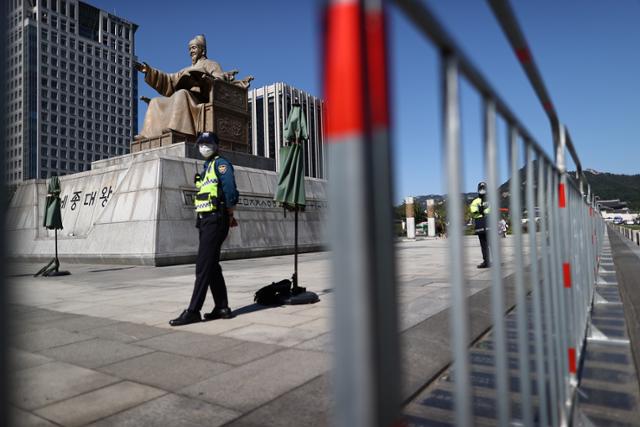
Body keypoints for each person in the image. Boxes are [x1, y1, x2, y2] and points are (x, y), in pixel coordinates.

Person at [170, 132, 239, 326]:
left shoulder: (221, 164)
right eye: (201, 143)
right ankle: (222, 307)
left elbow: (230, 190)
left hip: (216, 218)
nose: (204, 147)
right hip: (206, 219)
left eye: (208, 143)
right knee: (212, 265)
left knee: (203, 266)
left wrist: (230, 214)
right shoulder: (206, 167)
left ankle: (193, 311)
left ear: (217, 145)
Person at [134, 35, 252, 139]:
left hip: (200, 98)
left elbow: (219, 79)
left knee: (182, 94)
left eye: (194, 48)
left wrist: (206, 79)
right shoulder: (186, 69)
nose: (191, 51)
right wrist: (148, 71)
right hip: (184, 98)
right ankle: (147, 134)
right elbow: (169, 80)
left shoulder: (212, 64)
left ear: (203, 50)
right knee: (155, 101)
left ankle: (178, 130)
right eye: (190, 49)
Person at [470, 181, 491, 268]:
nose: (482, 190)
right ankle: (486, 261)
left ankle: (488, 261)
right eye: (481, 189)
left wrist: (482, 209)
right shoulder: (476, 201)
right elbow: (472, 210)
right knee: (484, 244)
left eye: (483, 189)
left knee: (489, 244)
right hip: (481, 224)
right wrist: (480, 209)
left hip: (486, 223)